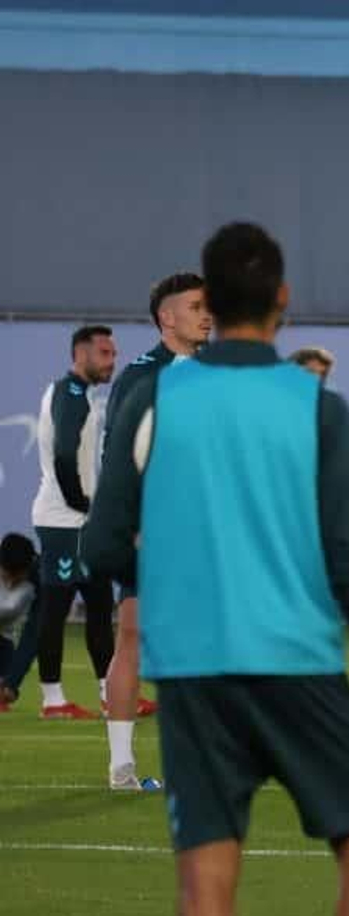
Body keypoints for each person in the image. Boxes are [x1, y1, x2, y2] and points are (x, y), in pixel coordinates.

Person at [84, 220, 349, 916]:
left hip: (194, 669)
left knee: (206, 867)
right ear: (282, 299)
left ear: (210, 303)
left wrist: (173, 568)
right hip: (299, 660)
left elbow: (102, 544)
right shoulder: (316, 405)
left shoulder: (154, 398)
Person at [98, 271, 212, 791]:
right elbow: (118, 456)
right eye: (196, 307)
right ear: (167, 317)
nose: (207, 315)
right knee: (134, 635)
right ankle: (122, 766)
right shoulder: (143, 376)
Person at [29, 324, 118, 721]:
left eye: (113, 354)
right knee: (56, 607)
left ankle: (111, 692)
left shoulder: (74, 392)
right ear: (81, 354)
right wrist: (80, 502)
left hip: (78, 520)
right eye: (104, 353)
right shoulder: (71, 395)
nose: (111, 361)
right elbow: (64, 454)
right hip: (64, 521)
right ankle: (53, 699)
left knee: (98, 604)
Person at [0, 533, 42, 710]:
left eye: (17, 576)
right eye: (7, 575)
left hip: (5, 640)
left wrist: (12, 683)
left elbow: (35, 632)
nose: (10, 582)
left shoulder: (41, 578)